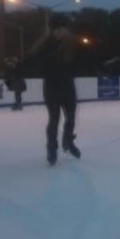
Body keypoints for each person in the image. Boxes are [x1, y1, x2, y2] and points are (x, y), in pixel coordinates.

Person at [25, 20, 81, 164]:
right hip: (52, 87)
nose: (61, 32)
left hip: (68, 86)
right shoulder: (45, 47)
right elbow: (31, 58)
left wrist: (102, 66)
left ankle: (68, 140)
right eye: (57, 30)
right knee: (54, 119)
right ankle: (51, 147)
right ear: (53, 31)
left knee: (71, 118)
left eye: (63, 29)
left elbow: (86, 59)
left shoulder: (73, 45)